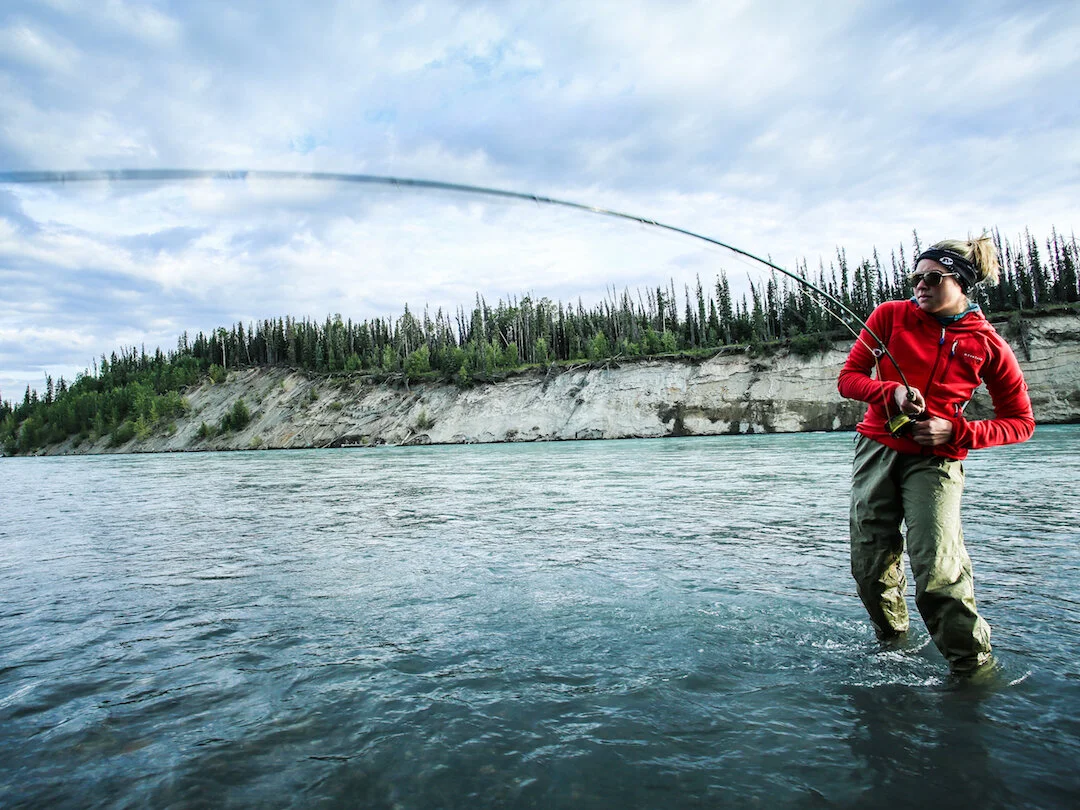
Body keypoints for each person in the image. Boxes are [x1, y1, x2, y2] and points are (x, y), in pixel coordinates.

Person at [837, 235, 1034, 676]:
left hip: (938, 460)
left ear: (961, 282)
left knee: (938, 571)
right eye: (915, 277)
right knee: (870, 566)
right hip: (876, 448)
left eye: (932, 277)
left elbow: (1021, 422)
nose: (920, 286)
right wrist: (890, 391)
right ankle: (893, 639)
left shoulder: (987, 344)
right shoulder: (889, 316)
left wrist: (956, 430)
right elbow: (849, 379)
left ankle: (972, 668)